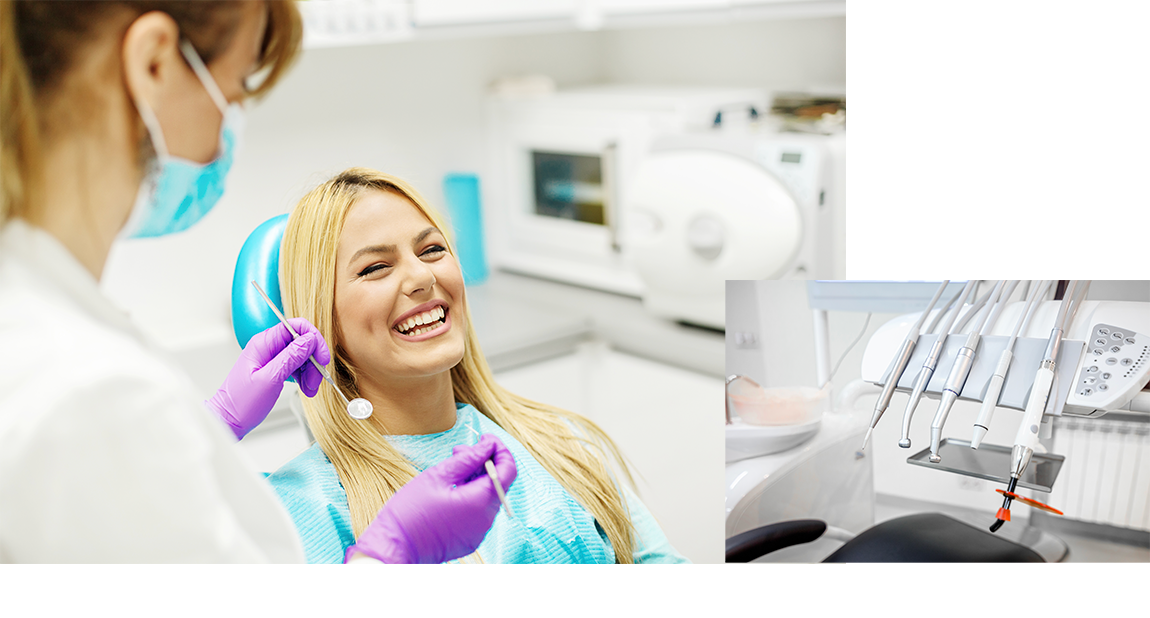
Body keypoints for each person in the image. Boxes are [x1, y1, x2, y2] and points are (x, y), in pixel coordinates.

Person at [0, 0, 513, 563]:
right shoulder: (90, 393)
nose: (228, 133)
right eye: (238, 85)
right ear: (154, 64)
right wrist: (385, 565)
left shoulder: (45, 330)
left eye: (432, 248)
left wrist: (209, 426)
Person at [269, 167, 688, 564]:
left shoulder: (558, 442)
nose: (421, 277)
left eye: (432, 249)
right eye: (376, 267)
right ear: (324, 320)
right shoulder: (300, 508)